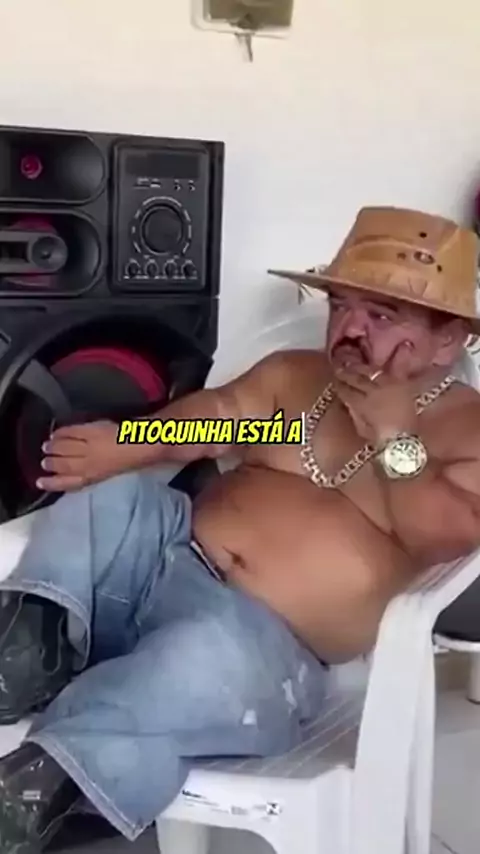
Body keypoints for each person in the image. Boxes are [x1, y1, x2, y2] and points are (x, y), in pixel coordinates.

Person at [1, 206, 480, 852]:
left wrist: (395, 438)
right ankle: (28, 650)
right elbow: (225, 418)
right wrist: (132, 443)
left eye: (382, 315)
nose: (349, 329)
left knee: (191, 665)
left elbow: (441, 536)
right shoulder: (303, 384)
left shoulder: (462, 428)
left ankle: (33, 790)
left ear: (448, 340)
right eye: (341, 306)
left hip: (264, 644)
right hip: (162, 558)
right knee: (114, 496)